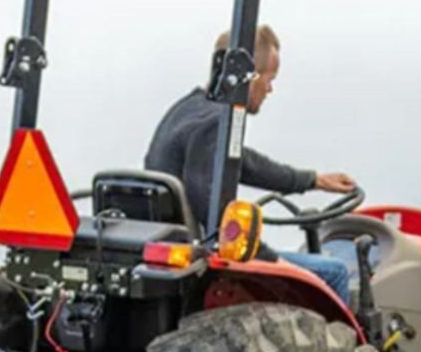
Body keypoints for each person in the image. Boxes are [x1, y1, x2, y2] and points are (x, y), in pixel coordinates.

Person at [144, 24, 357, 304]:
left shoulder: (187, 109)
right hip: (204, 259)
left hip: (173, 245)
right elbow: (211, 210)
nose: (270, 89)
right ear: (250, 77)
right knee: (335, 273)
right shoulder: (216, 121)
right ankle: (339, 349)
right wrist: (272, 259)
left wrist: (313, 180)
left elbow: (243, 163)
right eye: (270, 78)